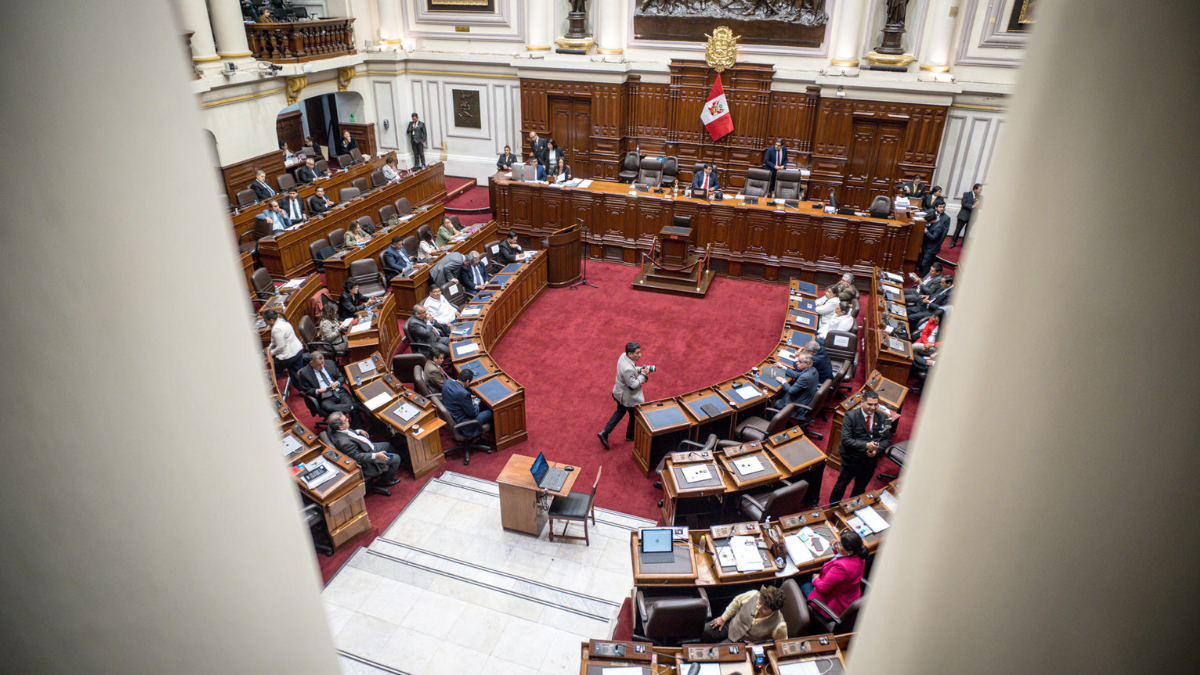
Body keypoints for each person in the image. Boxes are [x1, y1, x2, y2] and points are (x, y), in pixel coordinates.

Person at [828, 390, 893, 503]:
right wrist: (866, 445)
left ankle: (852, 508)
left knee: (860, 487)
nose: (873, 408)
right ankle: (832, 507)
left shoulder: (885, 417)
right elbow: (846, 440)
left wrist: (876, 451)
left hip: (869, 461)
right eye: (869, 404)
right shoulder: (850, 416)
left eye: (875, 404)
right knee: (841, 484)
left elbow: (887, 439)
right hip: (851, 459)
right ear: (862, 402)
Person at [325, 411, 402, 490]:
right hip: (367, 460)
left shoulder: (333, 428)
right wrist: (376, 455)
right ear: (340, 427)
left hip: (366, 447)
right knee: (396, 458)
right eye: (345, 420)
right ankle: (386, 480)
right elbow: (357, 457)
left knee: (387, 445)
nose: (348, 419)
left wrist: (358, 431)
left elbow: (347, 432)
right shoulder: (344, 443)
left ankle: (392, 467)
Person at [802, 531, 868, 619]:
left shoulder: (841, 567)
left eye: (840, 545)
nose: (837, 544)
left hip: (832, 604)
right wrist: (834, 547)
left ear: (850, 551)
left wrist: (815, 579)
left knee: (801, 581)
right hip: (848, 596)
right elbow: (843, 556)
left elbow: (823, 588)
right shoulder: (859, 555)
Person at [597, 342, 650, 449]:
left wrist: (640, 370)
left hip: (619, 393)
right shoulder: (628, 369)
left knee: (620, 411)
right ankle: (630, 435)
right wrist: (643, 374)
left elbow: (631, 370)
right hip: (627, 398)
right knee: (633, 414)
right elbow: (633, 384)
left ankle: (605, 432)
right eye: (637, 353)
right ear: (630, 354)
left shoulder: (623, 356)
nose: (640, 355)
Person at [703, 586, 788, 643]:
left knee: (718, 653)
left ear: (775, 610)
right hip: (732, 626)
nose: (759, 607)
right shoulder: (753, 594)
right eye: (759, 602)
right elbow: (736, 602)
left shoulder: (780, 626)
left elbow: (780, 645)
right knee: (703, 631)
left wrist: (758, 647)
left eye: (765, 608)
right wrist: (723, 618)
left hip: (744, 644)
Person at [296, 352, 357, 418]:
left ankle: (358, 427)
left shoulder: (330, 363)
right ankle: (355, 406)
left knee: (353, 411)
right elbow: (307, 391)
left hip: (339, 392)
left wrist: (336, 383)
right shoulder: (304, 373)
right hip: (325, 398)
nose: (322, 366)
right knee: (330, 407)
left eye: (323, 362)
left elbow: (341, 377)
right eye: (319, 364)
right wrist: (322, 390)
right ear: (311, 363)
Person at [441, 369, 492, 440]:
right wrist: (475, 403)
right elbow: (473, 413)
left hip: (454, 415)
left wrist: (468, 398)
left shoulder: (447, 383)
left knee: (483, 404)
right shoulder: (464, 394)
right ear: (467, 381)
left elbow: (455, 394)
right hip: (465, 423)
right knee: (491, 411)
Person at [263, 309, 305, 381]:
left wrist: (269, 354)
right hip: (297, 351)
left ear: (271, 320)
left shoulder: (277, 329)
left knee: (273, 369)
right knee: (298, 375)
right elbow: (274, 342)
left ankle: (272, 385)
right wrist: (268, 349)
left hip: (289, 356)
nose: (265, 322)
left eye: (265, 320)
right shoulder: (282, 321)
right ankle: (303, 390)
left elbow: (280, 348)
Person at [776, 352, 819, 416]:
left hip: (797, 406)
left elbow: (791, 391)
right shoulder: (813, 370)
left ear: (808, 364)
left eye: (800, 362)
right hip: (805, 398)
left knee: (775, 401)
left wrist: (783, 381)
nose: (797, 363)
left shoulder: (805, 377)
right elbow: (797, 375)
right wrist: (783, 367)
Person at [918, 201, 951, 276]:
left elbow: (933, 237)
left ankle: (925, 277)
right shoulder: (936, 223)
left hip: (932, 248)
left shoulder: (939, 226)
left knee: (925, 263)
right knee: (927, 263)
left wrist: (926, 232)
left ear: (932, 220)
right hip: (928, 246)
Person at [950, 183, 982, 248]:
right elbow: (964, 204)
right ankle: (953, 242)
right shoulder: (966, 194)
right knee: (958, 230)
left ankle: (964, 244)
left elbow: (981, 206)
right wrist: (972, 206)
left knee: (967, 231)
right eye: (979, 190)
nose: (980, 191)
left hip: (972, 217)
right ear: (975, 189)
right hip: (963, 216)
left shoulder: (980, 197)